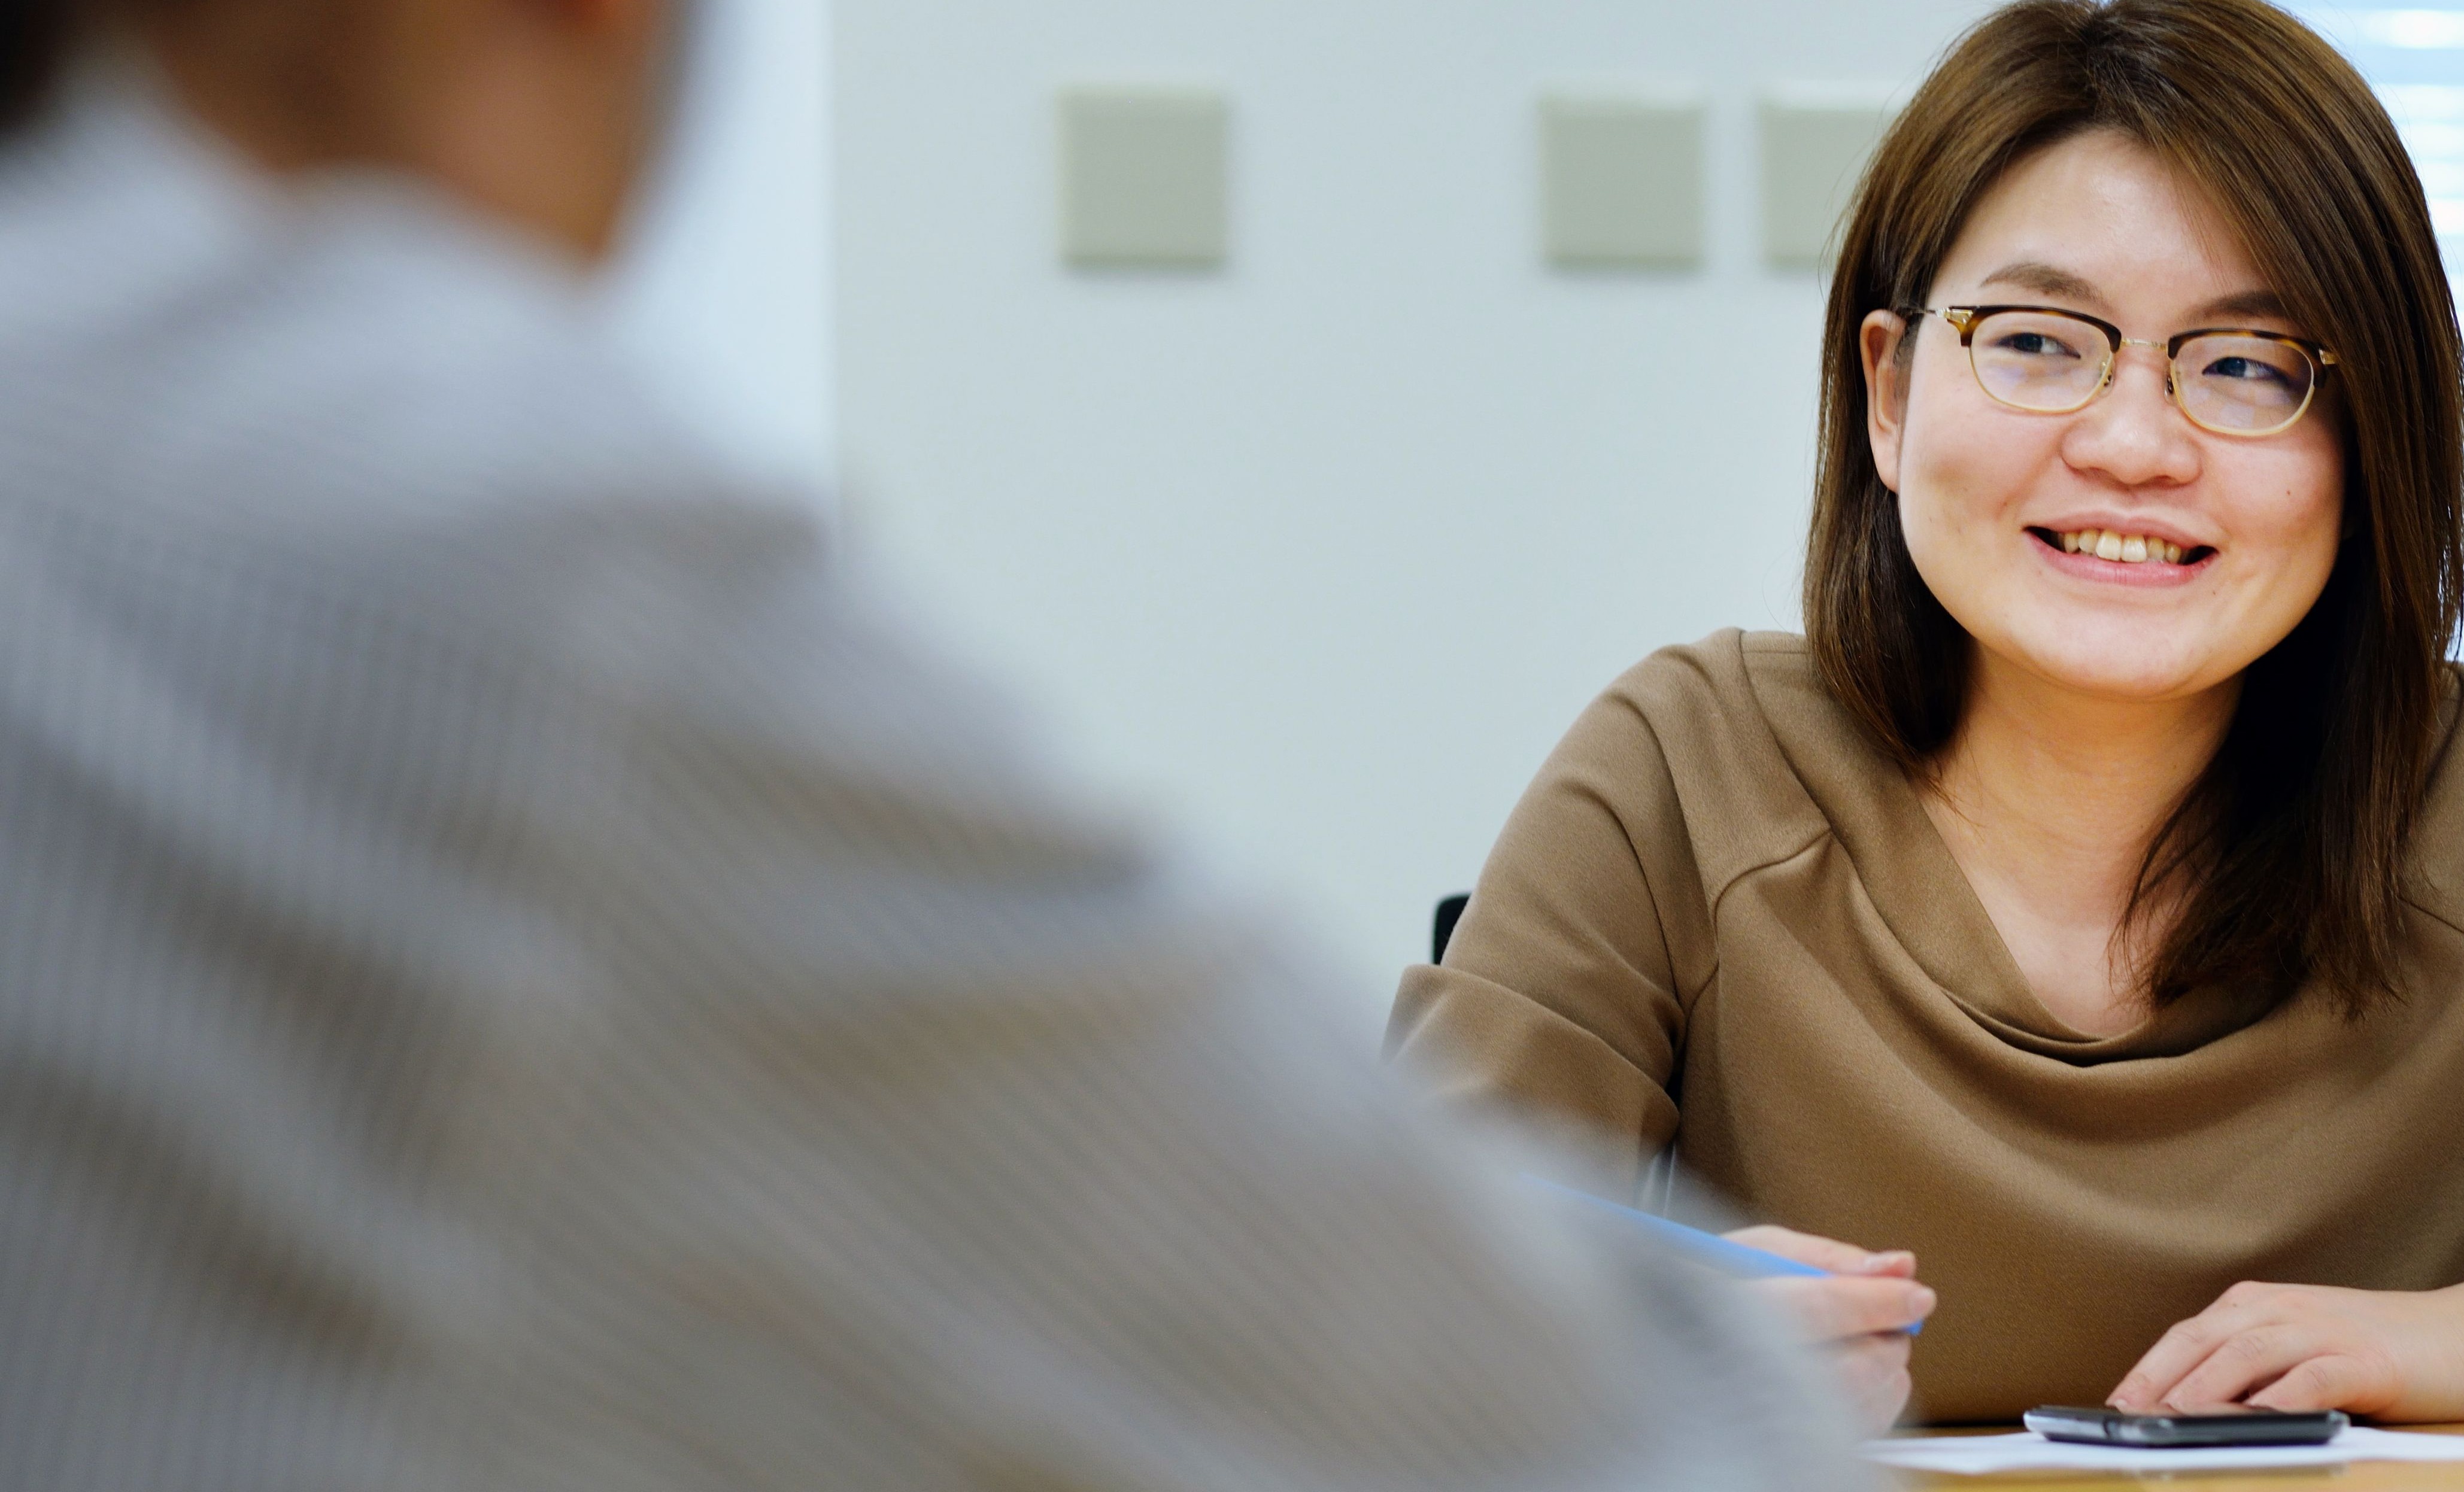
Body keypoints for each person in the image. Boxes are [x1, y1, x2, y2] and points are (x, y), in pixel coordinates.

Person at [0, 1, 1884, 1487]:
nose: (2129, 438)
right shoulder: (475, 551)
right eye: (2040, 340)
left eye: (2206, 363)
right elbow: (1480, 1413)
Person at [1389, 0, 2464, 1430]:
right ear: (1888, 397)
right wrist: (1635, 1343)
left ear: (2367, 442)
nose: (2132, 444)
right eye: (2035, 343)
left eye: (2243, 368)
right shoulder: (1683, 767)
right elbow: (1363, 1300)